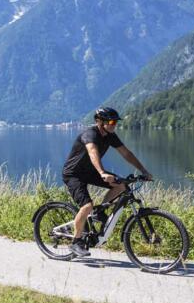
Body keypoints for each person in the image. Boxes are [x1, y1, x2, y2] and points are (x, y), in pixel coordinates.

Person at [61, 107, 152, 257]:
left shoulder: (110, 135)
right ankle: (76, 242)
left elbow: (126, 153)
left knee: (122, 185)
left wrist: (143, 170)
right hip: (73, 174)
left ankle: (99, 211)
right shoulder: (89, 134)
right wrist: (102, 173)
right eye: (110, 121)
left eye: (115, 122)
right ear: (99, 122)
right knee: (86, 205)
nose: (113, 124)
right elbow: (92, 152)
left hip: (91, 172)